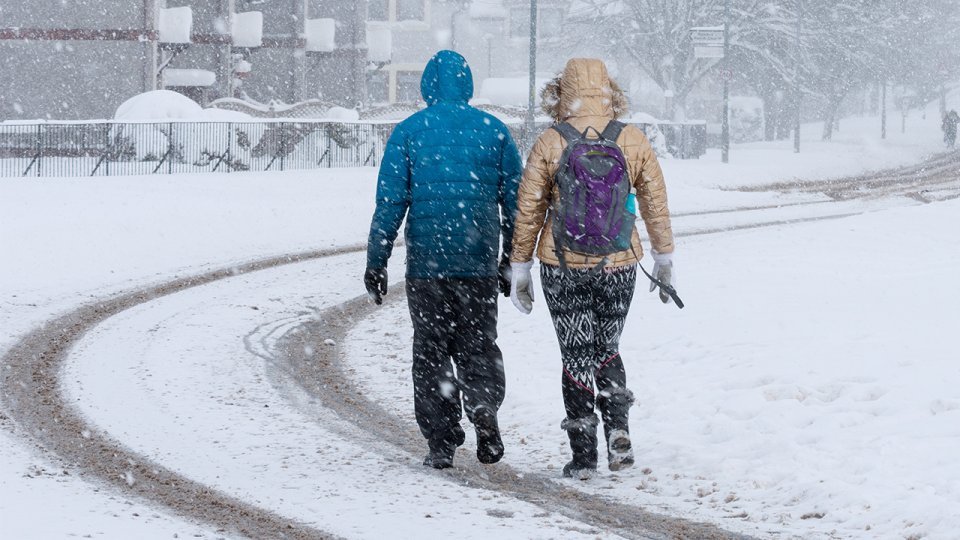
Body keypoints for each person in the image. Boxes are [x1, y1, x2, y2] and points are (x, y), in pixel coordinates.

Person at [509, 58, 675, 479]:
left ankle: (583, 456)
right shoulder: (632, 138)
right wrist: (664, 257)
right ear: (610, 90)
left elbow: (528, 209)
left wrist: (520, 267)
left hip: (561, 265)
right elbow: (655, 203)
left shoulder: (551, 140)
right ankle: (618, 432)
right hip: (619, 263)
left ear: (561, 92)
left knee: (575, 355)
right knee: (607, 348)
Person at [364, 50, 522, 470]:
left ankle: (441, 438)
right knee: (478, 345)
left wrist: (377, 260)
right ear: (467, 84)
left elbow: (391, 202)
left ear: (427, 86)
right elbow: (516, 204)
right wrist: (511, 259)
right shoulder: (495, 131)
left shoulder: (409, 132)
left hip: (427, 264)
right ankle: (483, 405)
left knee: (431, 350)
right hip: (478, 261)